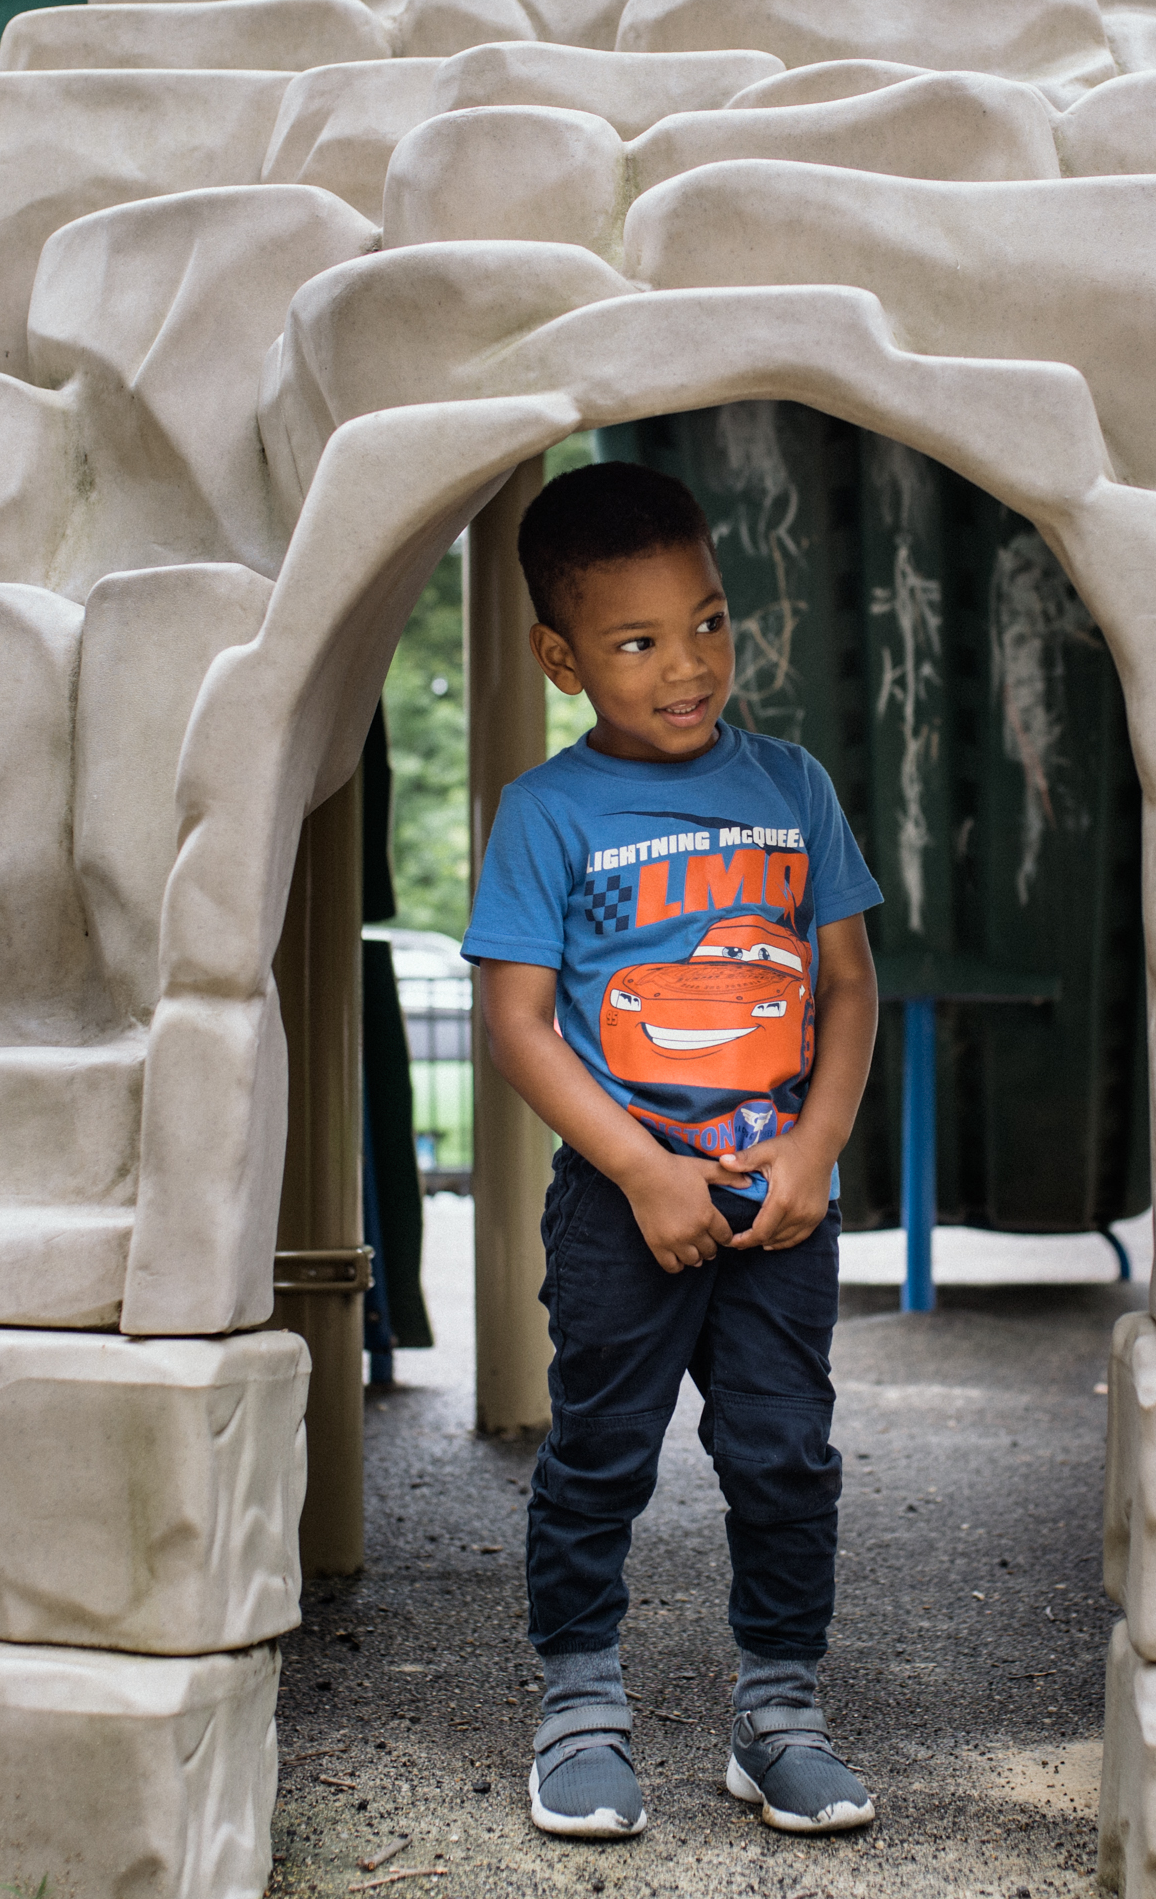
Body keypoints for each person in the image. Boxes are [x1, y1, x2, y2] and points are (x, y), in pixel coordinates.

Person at [463, 460, 884, 1842]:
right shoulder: (546, 815)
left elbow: (847, 985)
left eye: (706, 621)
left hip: (777, 1204)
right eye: (638, 642)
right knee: (599, 1455)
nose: (687, 664)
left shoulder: (794, 786)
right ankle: (581, 1705)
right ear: (562, 659)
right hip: (618, 1206)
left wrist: (816, 1149)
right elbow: (521, 1025)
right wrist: (643, 1171)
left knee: (784, 1458)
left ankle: (779, 1718)